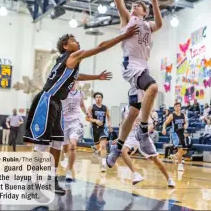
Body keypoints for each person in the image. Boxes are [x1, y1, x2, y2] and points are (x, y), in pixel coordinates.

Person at [24, 28, 139, 195]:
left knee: (57, 144)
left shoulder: (67, 61)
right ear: (65, 46)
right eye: (73, 39)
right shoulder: (72, 56)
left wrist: (96, 77)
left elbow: (75, 77)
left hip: (57, 103)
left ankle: (52, 179)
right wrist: (125, 36)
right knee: (42, 145)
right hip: (47, 100)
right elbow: (101, 46)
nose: (77, 41)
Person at [106, 0, 163, 168]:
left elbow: (159, 24)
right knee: (154, 88)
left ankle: (117, 147)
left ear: (145, 12)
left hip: (143, 68)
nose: (134, 6)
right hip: (132, 68)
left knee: (131, 114)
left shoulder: (148, 25)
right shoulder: (127, 20)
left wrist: (155, 0)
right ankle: (143, 132)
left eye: (138, 5)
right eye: (133, 5)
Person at [120, 92, 175, 187]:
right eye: (132, 96)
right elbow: (123, 125)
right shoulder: (124, 109)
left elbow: (151, 124)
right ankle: (136, 174)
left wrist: (145, 132)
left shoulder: (143, 109)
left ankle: (169, 179)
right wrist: (119, 137)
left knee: (155, 159)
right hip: (131, 135)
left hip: (142, 135)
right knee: (123, 151)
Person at [61, 82, 89, 182]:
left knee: (73, 144)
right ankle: (65, 156)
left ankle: (69, 170)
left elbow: (81, 105)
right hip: (64, 122)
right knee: (65, 148)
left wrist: (87, 113)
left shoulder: (80, 93)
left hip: (76, 121)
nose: (72, 83)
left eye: (74, 81)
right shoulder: (62, 92)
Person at [87, 92, 112, 172]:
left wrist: (109, 125)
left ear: (102, 98)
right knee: (99, 148)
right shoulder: (91, 107)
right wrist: (96, 120)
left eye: (100, 97)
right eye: (97, 97)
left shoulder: (105, 108)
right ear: (95, 98)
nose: (98, 98)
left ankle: (104, 165)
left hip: (103, 129)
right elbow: (87, 118)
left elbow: (108, 117)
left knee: (104, 146)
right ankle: (99, 154)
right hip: (94, 129)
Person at [162, 102, 188, 171]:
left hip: (182, 133)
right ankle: (180, 165)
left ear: (180, 107)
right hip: (175, 133)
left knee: (184, 151)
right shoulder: (172, 115)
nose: (177, 107)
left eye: (178, 106)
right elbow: (165, 123)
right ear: (174, 107)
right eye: (176, 106)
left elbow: (186, 122)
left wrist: (186, 125)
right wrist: (164, 129)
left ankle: (174, 155)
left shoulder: (183, 115)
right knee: (180, 149)